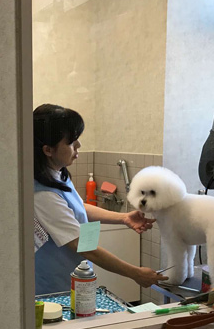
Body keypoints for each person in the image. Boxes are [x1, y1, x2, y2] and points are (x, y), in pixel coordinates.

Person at [33, 104, 168, 295]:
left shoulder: (57, 174)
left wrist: (123, 218)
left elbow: (79, 208)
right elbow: (85, 248)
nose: (78, 146)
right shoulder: (42, 194)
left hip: (75, 277)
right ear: (48, 150)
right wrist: (135, 273)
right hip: (54, 290)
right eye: (71, 142)